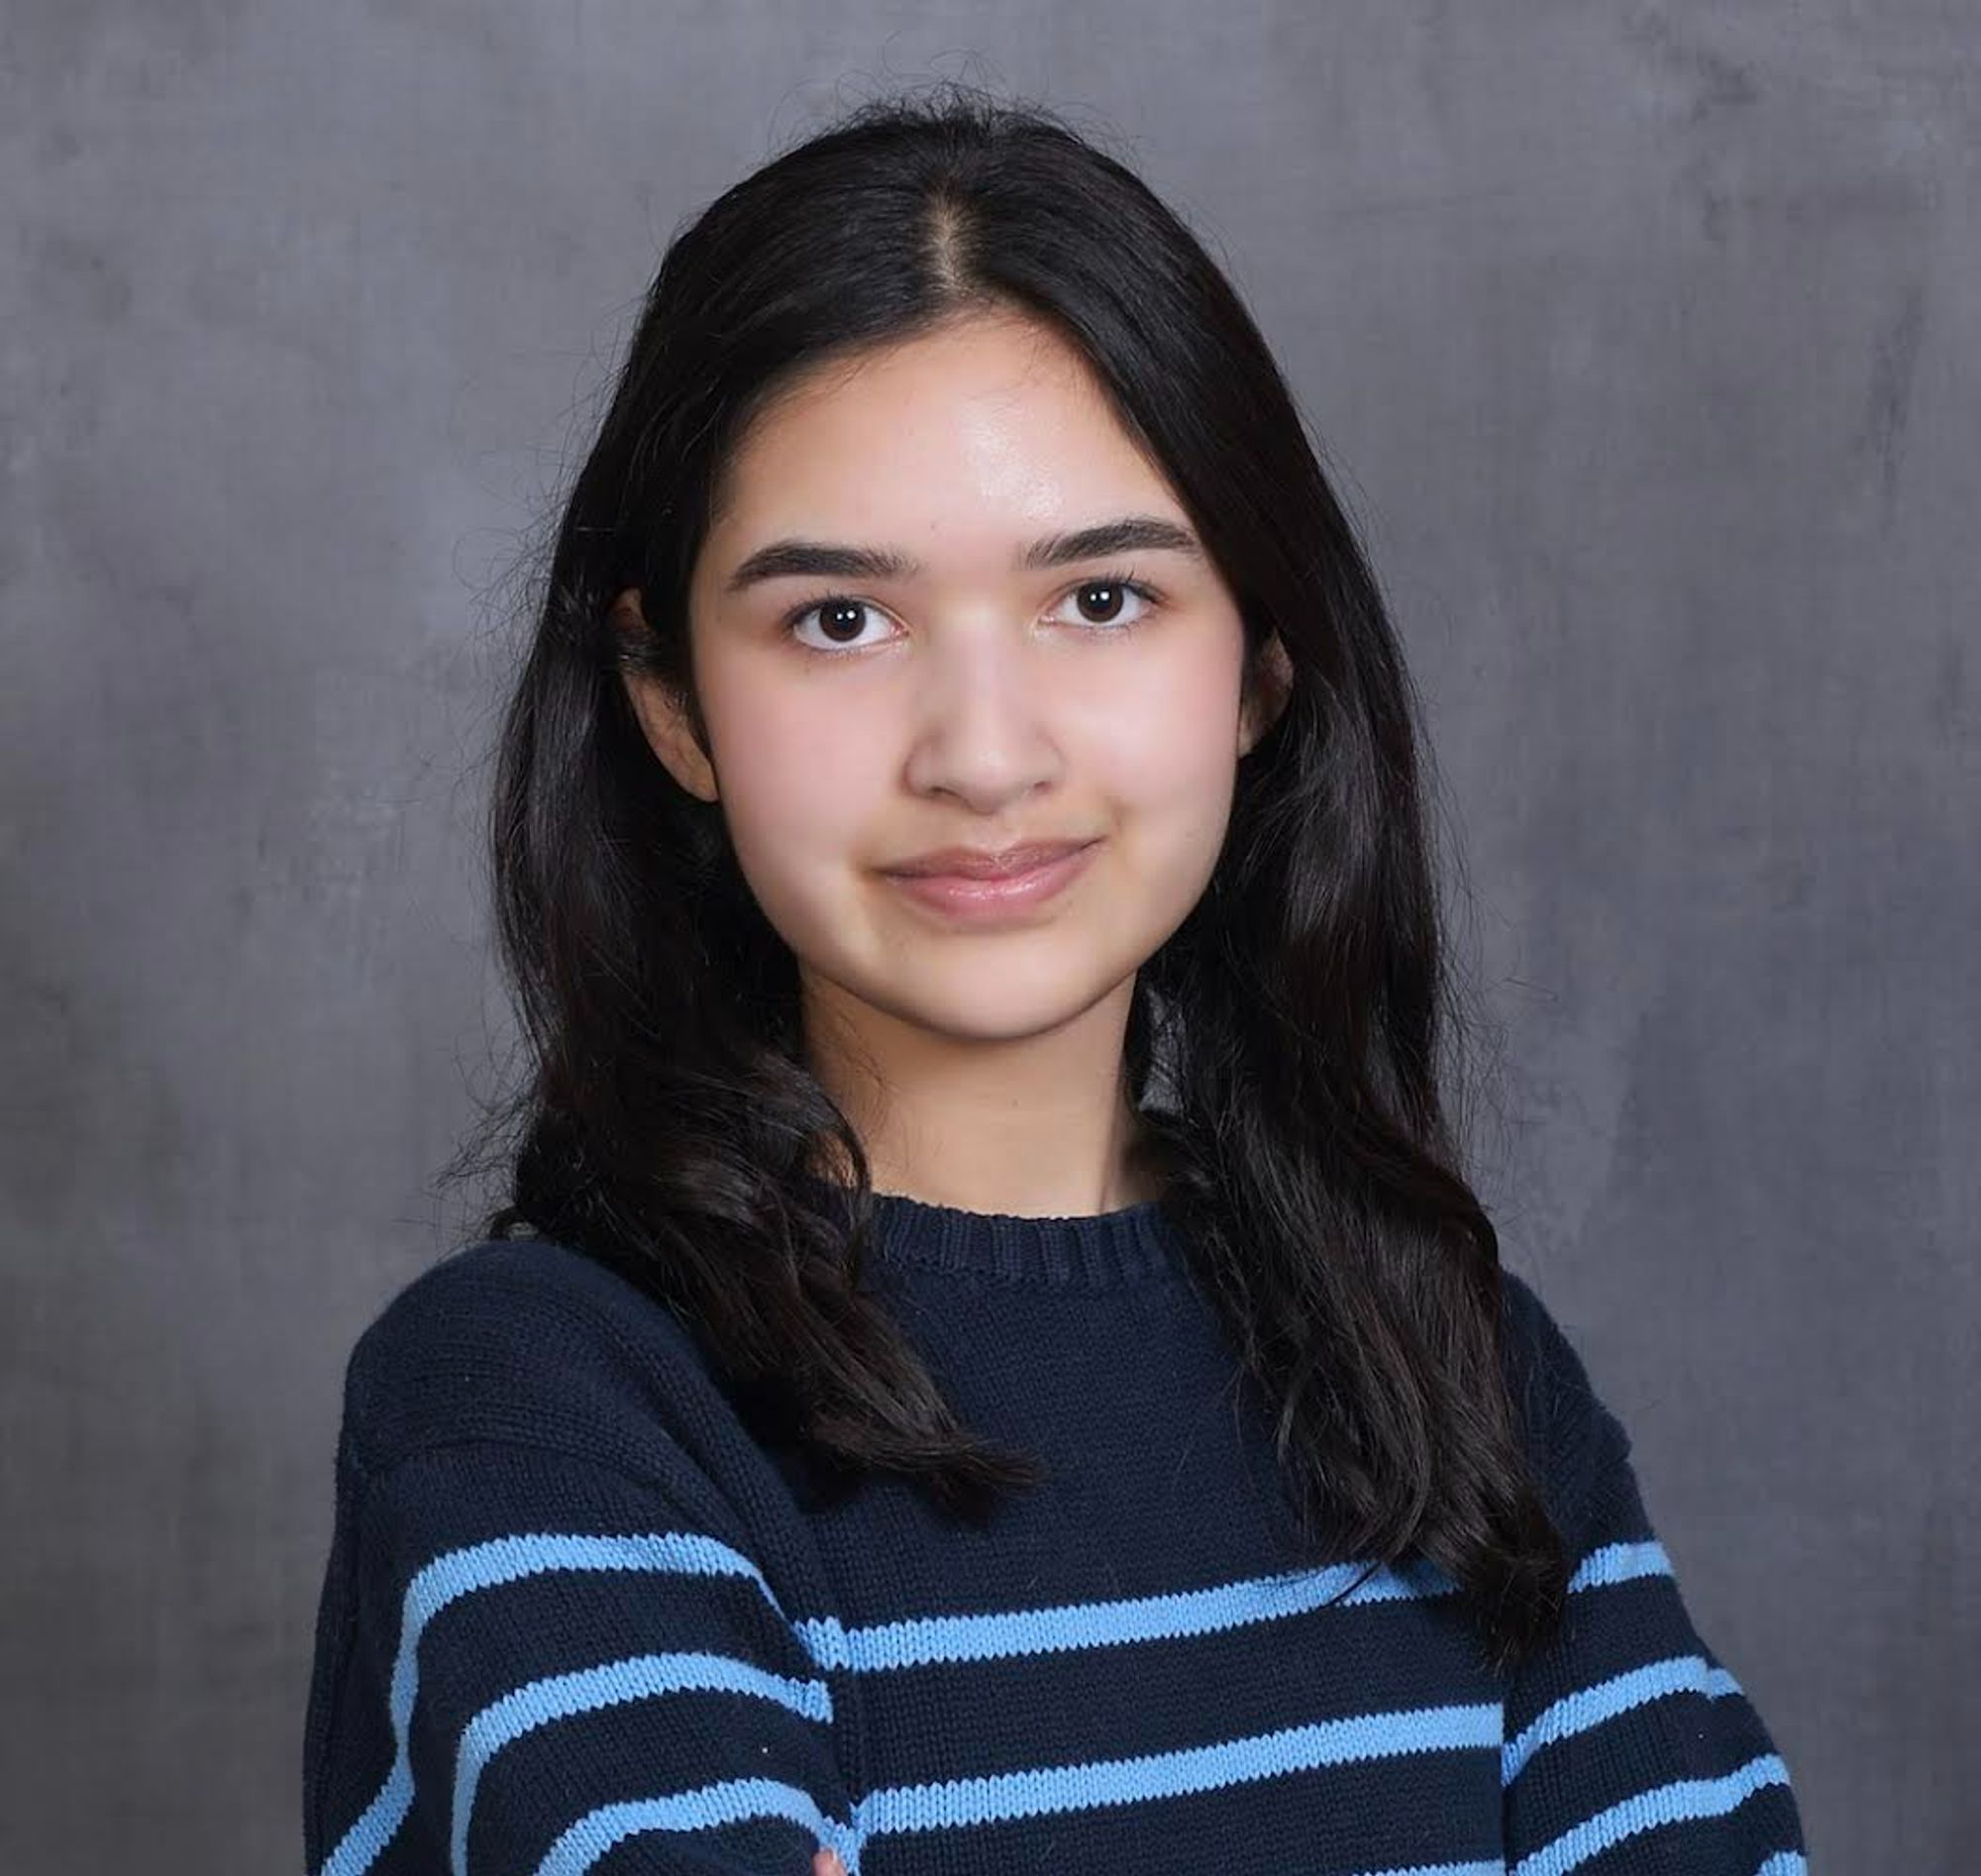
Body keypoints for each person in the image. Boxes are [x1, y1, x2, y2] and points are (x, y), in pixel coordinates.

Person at [301, 85, 1808, 1876]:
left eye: (1100, 599)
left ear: (1259, 665)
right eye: (838, 621)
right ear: (671, 704)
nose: (985, 754)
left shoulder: (1459, 1373)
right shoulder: (543, 1410)